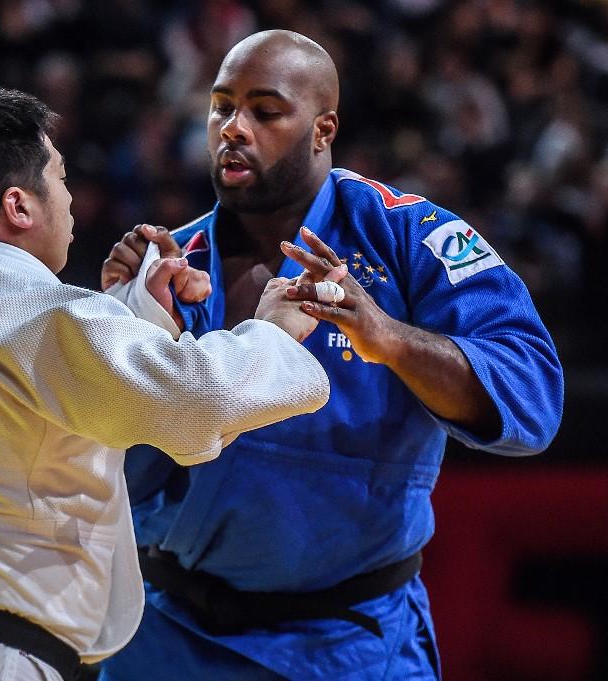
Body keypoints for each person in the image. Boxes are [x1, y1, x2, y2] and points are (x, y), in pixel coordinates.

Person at [0, 87, 332, 681]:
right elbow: (194, 403)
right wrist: (275, 334)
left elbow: (42, 394)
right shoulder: (33, 312)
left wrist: (133, 314)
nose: (71, 196)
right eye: (58, 176)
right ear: (19, 207)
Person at [98, 30, 564, 680]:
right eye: (222, 106)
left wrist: (390, 338)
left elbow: (532, 392)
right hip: (171, 637)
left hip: (353, 644)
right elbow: (113, 475)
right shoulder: (166, 267)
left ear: (323, 130)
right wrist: (126, 325)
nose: (233, 128)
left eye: (264, 110)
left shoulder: (406, 234)